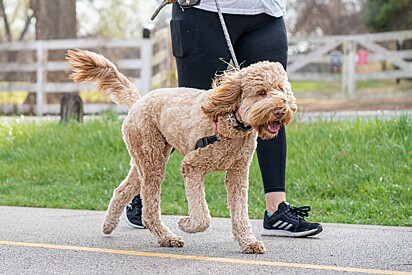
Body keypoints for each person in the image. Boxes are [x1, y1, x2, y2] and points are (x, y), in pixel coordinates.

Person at [125, 0, 323, 237]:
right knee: (190, 116)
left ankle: (276, 210)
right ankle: (140, 195)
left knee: (271, 108)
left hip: (266, 13)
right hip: (203, 10)